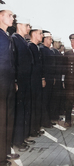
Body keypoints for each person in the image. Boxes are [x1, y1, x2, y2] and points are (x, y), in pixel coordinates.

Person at [11, 16, 33, 151]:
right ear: (19, 25)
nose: (29, 28)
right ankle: (17, 141)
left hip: (25, 81)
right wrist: (14, 81)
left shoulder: (23, 40)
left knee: (23, 111)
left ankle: (22, 138)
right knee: (18, 112)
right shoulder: (14, 39)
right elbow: (13, 61)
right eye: (27, 25)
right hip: (19, 81)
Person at [0, 4, 16, 166]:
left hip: (7, 84)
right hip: (1, 85)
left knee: (7, 120)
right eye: (9, 15)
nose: (12, 18)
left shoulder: (5, 35)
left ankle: (4, 153)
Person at [28, 26, 45, 137]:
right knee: (33, 106)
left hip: (37, 81)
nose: (42, 35)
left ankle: (36, 128)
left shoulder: (36, 47)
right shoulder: (30, 46)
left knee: (37, 105)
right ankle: (32, 131)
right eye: (40, 33)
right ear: (34, 34)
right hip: (32, 81)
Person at [40, 30, 55, 128]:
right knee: (44, 101)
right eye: (49, 39)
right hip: (45, 79)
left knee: (49, 100)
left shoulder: (49, 50)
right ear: (44, 39)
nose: (51, 41)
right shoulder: (41, 49)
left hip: (50, 78)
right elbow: (41, 65)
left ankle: (48, 120)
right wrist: (43, 78)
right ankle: (44, 122)